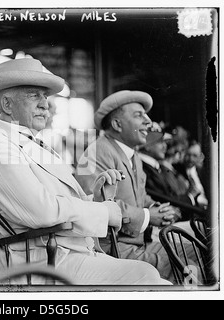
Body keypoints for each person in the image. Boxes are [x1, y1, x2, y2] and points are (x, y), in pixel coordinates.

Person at [0, 59, 171, 285]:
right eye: (33, 95)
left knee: (154, 278)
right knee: (147, 276)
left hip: (63, 253)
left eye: (45, 96)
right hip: (40, 264)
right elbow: (43, 211)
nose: (45, 105)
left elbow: (59, 203)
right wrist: (105, 211)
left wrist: (97, 197)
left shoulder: (32, 145)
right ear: (7, 105)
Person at [75, 90, 179, 281]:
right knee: (186, 260)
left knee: (197, 246)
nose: (148, 121)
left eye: (146, 115)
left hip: (136, 244)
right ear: (117, 124)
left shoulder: (133, 155)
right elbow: (96, 205)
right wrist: (147, 216)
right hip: (111, 250)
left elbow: (139, 196)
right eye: (139, 115)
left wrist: (157, 209)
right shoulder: (94, 153)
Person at [175, 141, 209, 208]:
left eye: (194, 155)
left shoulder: (203, 172)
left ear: (200, 156)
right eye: (188, 155)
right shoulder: (176, 171)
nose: (191, 159)